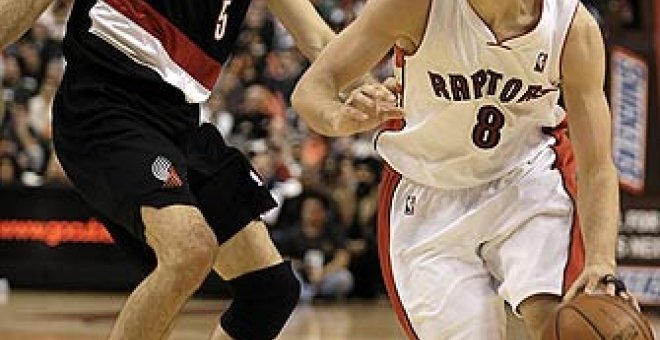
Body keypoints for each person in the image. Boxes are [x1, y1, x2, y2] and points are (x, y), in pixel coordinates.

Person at [292, 0, 632, 338]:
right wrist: (339, 119)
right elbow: (312, 89)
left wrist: (601, 262)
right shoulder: (413, 7)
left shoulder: (573, 28)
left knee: (566, 322)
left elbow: (597, 168)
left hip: (527, 179)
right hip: (428, 193)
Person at [2, 0, 341, 339]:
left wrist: (374, 91)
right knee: (189, 250)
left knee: (271, 291)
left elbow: (322, 42)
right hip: (104, 105)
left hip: (180, 118)